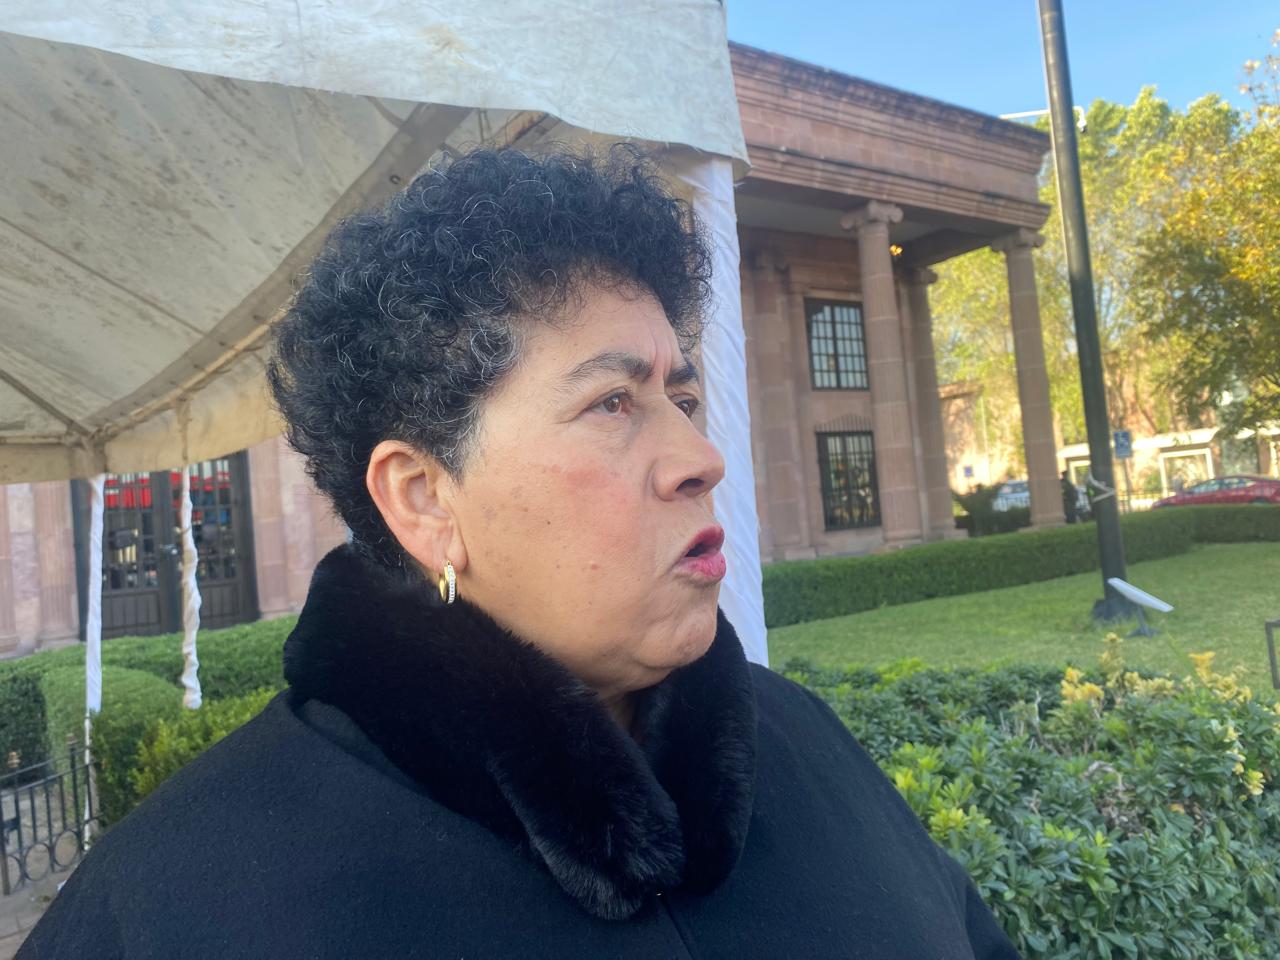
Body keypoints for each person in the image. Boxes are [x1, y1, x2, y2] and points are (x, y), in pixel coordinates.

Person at [20, 148, 1020, 959]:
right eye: (611, 402)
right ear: (424, 499)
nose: (700, 457)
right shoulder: (179, 901)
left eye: (680, 396)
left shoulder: (804, 741)